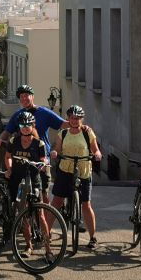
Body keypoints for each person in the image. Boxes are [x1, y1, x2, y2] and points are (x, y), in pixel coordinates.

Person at [0, 84, 68, 203]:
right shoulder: (18, 114)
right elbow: (7, 131)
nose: (24, 98)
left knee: (43, 192)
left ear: (32, 97)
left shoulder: (44, 112)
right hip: (22, 156)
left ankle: (43, 218)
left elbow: (63, 124)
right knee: (19, 191)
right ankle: (21, 216)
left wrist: (80, 126)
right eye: (21, 96)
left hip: (41, 156)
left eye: (27, 95)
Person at [49, 105, 102, 250]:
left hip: (83, 171)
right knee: (57, 201)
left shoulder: (87, 132)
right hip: (65, 170)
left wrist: (97, 154)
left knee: (86, 204)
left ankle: (92, 238)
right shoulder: (63, 133)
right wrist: (54, 152)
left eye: (78, 118)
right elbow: (57, 149)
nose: (75, 120)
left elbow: (95, 149)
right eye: (72, 118)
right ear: (68, 118)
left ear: (81, 119)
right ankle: (46, 232)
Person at [3, 111, 54, 261]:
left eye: (28, 125)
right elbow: (8, 157)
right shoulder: (13, 141)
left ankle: (48, 249)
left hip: (33, 179)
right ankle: (28, 245)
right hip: (18, 179)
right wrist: (10, 169)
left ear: (33, 126)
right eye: (22, 125)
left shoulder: (39, 143)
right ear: (19, 127)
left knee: (40, 214)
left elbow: (44, 159)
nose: (25, 128)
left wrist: (43, 164)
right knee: (23, 213)